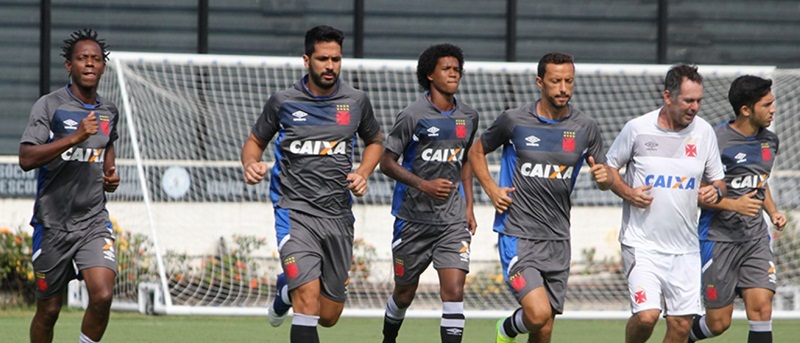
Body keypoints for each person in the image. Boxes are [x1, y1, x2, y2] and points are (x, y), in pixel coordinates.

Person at [240, 25, 383, 342]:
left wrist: (363, 172)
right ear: (307, 60)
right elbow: (254, 141)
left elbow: (375, 141)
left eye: (336, 59)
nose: (330, 66)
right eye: (322, 59)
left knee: (328, 315)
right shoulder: (283, 102)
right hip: (294, 213)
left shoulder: (356, 101)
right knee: (307, 301)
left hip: (337, 216)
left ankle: (284, 291)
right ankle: (295, 291)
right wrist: (251, 164)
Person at [469, 52, 612, 343]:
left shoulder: (585, 128)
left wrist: (604, 178)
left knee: (544, 327)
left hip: (558, 238)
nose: (563, 88)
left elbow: (604, 173)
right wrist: (492, 189)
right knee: (536, 313)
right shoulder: (514, 120)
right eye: (556, 81)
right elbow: (476, 151)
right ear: (539, 82)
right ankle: (505, 330)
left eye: (569, 81)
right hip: (518, 234)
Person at [604, 64, 726, 343]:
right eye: (688, 100)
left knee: (682, 326)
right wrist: (627, 192)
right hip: (642, 244)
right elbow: (609, 169)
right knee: (647, 315)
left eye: (699, 100)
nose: (695, 107)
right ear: (668, 97)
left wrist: (715, 194)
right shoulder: (637, 129)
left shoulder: (704, 132)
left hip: (684, 249)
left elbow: (719, 182)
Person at [19, 28, 120, 343]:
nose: (89, 64)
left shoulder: (109, 112)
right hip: (53, 225)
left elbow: (107, 149)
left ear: (103, 66)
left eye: (95, 59)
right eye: (82, 59)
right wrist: (74, 138)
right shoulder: (49, 106)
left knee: (102, 295)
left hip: (93, 221)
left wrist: (110, 176)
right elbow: (26, 158)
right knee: (49, 311)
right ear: (69, 66)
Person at [379, 43, 479, 343]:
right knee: (405, 291)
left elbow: (465, 164)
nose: (454, 74)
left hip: (451, 222)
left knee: (454, 291)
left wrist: (469, 207)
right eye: (447, 69)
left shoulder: (468, 117)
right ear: (430, 75)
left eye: (457, 69)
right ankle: (388, 339)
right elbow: (386, 163)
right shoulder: (413, 115)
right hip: (413, 220)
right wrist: (424, 185)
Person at [688, 75, 786, 343]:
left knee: (762, 308)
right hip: (718, 239)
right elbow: (693, 194)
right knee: (719, 323)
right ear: (745, 109)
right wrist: (733, 204)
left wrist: (772, 211)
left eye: (773, 103)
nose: (773, 109)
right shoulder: (715, 141)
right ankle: (681, 335)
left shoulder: (770, 142)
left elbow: (759, 184)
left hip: (754, 238)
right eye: (767, 105)